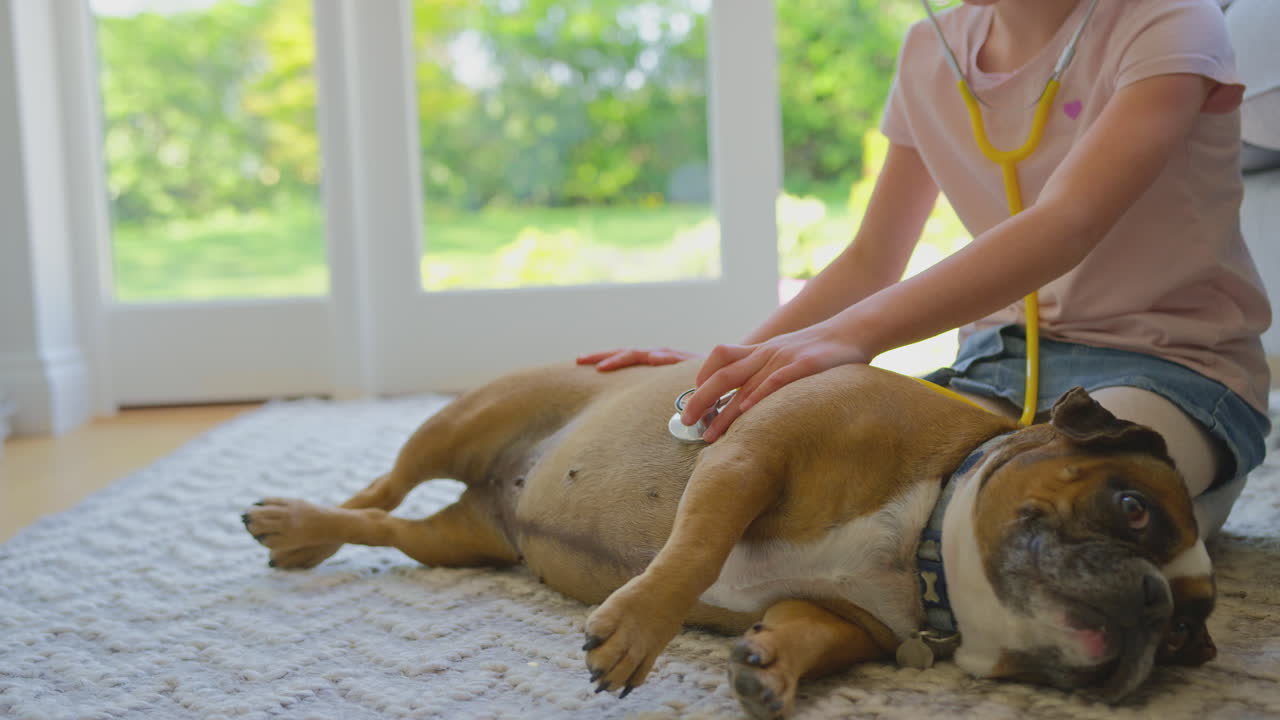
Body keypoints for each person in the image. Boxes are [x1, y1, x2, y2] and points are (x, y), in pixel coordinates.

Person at [578, 0, 1272, 537]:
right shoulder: (928, 54)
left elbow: (1070, 222)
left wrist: (855, 337)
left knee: (1063, 515)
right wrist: (741, 362)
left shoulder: (1171, 23)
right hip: (998, 364)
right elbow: (872, 258)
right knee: (817, 482)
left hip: (1172, 368)